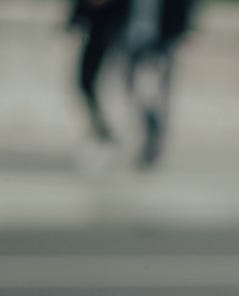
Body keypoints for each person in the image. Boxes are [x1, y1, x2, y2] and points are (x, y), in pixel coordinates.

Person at [121, 0, 196, 170]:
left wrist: (185, 29)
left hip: (163, 40)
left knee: (157, 92)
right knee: (133, 88)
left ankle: (155, 141)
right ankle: (152, 127)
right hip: (133, 40)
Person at [68, 0, 130, 145]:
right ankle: (101, 128)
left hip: (112, 35)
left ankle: (107, 131)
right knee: (85, 83)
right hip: (96, 34)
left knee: (109, 86)